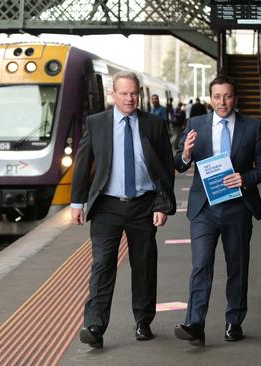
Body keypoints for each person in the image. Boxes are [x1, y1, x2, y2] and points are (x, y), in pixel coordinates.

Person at [71, 71, 176, 349]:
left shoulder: (153, 124)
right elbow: (83, 163)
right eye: (124, 93)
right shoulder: (96, 124)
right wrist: (76, 202)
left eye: (134, 93)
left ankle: (143, 321)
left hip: (143, 205)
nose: (130, 98)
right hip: (107, 206)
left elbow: (166, 167)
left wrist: (163, 205)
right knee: (103, 264)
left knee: (143, 265)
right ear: (113, 95)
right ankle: (94, 325)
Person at [173, 75, 261, 346]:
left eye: (227, 96)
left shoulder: (252, 127)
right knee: (201, 263)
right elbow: (180, 163)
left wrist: (246, 178)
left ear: (235, 98)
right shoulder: (196, 124)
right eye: (217, 97)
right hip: (204, 208)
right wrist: (185, 154)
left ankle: (234, 321)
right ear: (210, 98)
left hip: (238, 206)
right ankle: (195, 323)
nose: (222, 102)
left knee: (237, 266)